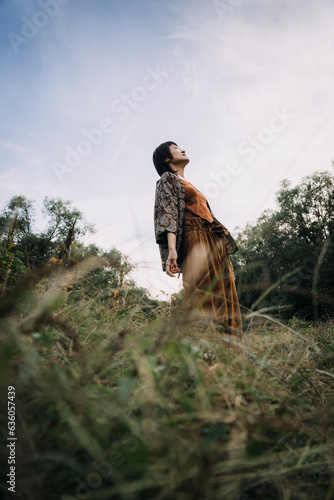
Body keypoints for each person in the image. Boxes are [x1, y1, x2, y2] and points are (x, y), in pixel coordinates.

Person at [153, 141, 242, 341]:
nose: (182, 149)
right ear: (166, 158)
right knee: (203, 295)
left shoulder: (191, 185)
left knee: (226, 293)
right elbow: (168, 215)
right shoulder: (168, 179)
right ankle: (206, 356)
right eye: (176, 148)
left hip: (214, 240)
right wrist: (173, 250)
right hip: (195, 237)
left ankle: (231, 355)